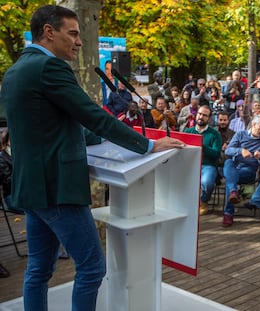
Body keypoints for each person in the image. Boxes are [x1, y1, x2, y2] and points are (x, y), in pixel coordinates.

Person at [0, 5, 185, 311]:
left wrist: (99, 140)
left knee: (38, 271)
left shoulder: (16, 69)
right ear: (49, 32)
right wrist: (147, 146)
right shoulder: (50, 67)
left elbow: (54, 125)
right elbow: (92, 116)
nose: (79, 41)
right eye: (72, 33)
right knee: (91, 267)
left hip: (31, 187)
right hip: (57, 188)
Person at [222, 114, 260, 227]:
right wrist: (240, 151)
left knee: (230, 178)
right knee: (228, 163)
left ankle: (228, 212)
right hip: (234, 166)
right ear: (254, 124)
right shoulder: (240, 134)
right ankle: (233, 192)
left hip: (248, 171)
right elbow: (228, 151)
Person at [185, 106, 222, 215]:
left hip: (208, 165)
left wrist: (203, 147)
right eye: (200, 114)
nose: (201, 117)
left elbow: (216, 154)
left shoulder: (214, 134)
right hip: (189, 164)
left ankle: (203, 201)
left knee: (207, 182)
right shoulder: (188, 131)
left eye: (205, 115)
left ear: (209, 119)